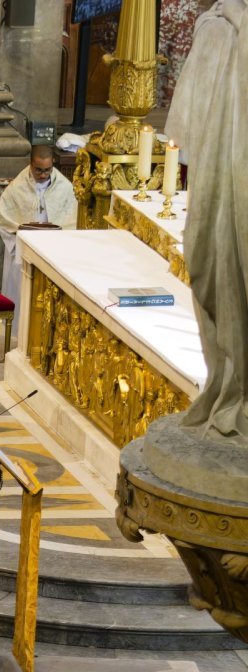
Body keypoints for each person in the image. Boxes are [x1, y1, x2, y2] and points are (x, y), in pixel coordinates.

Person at [164, 2, 246, 437]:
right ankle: (229, 382)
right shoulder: (218, 25)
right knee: (212, 265)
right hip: (224, 185)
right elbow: (190, 129)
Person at [0, 145, 77, 305]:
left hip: (53, 250)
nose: (43, 175)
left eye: (47, 170)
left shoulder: (64, 187)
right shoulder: (16, 189)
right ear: (30, 164)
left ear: (53, 163)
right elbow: (4, 222)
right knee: (22, 298)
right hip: (24, 252)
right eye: (38, 170)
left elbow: (73, 219)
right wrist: (20, 238)